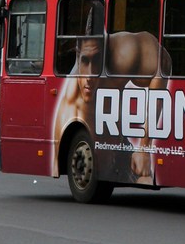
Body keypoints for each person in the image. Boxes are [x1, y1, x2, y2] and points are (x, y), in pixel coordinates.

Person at [53, 31, 170, 184]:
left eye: (97, 60)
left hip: (119, 147)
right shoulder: (71, 104)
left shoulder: (124, 54)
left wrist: (144, 148)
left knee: (146, 179)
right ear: (78, 57)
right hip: (107, 156)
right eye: (86, 61)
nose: (90, 75)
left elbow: (161, 64)